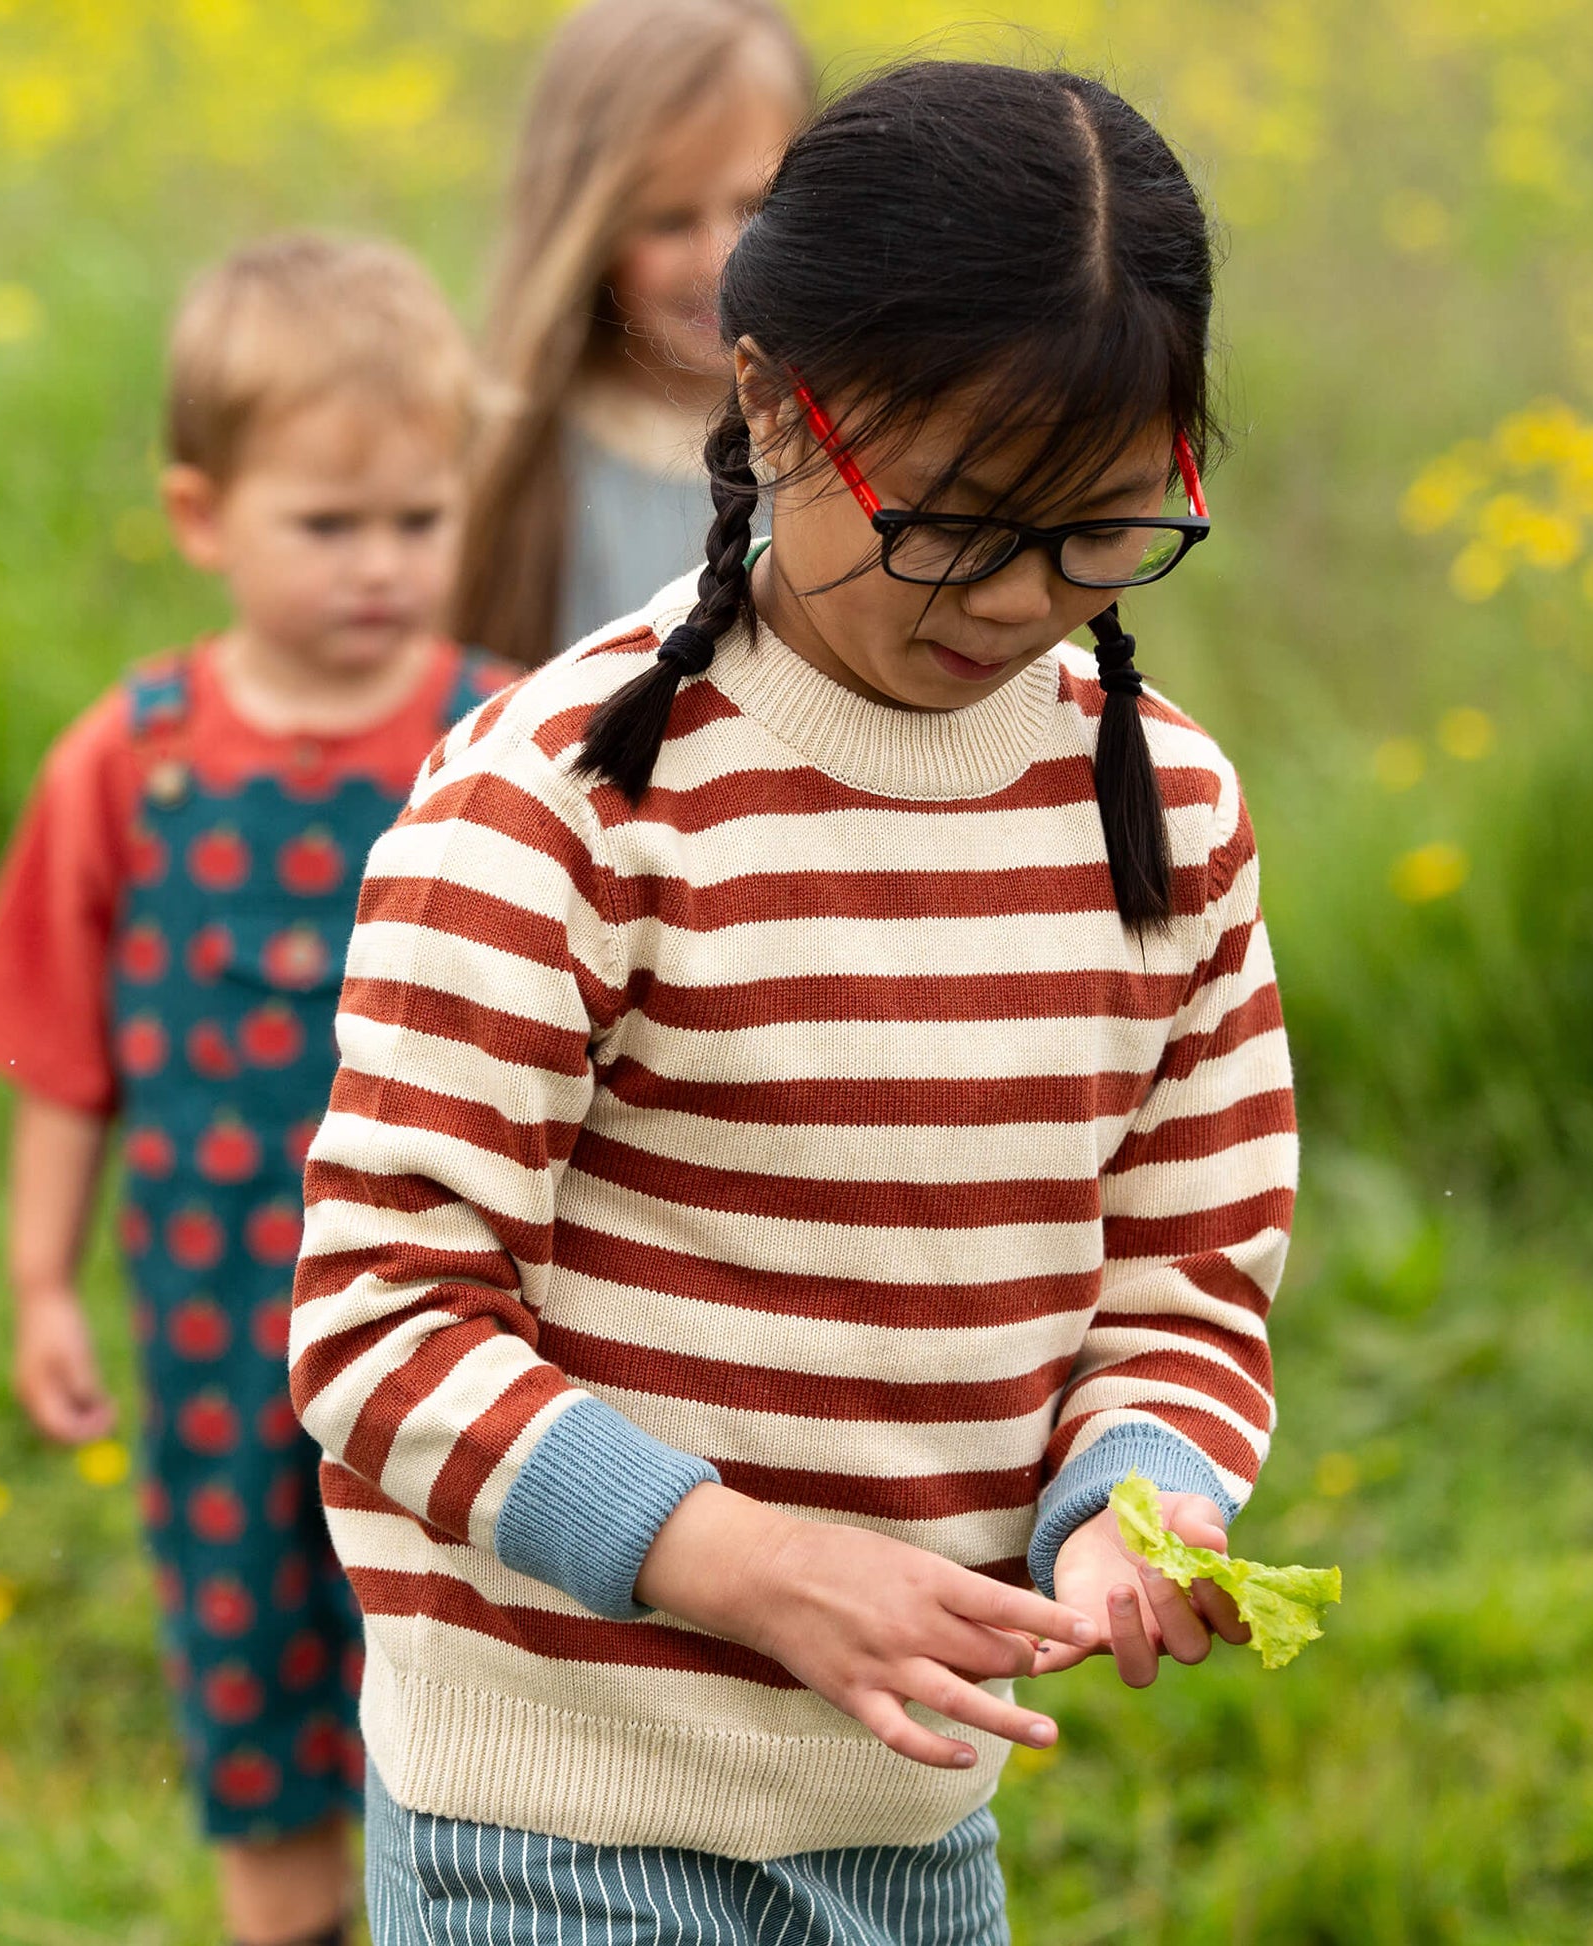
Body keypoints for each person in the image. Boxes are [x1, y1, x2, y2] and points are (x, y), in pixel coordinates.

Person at [295, 60, 1295, 1946]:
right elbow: (381, 1325)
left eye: (1095, 531)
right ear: (766, 395)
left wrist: (1134, 1492)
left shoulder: (1161, 813)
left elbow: (1184, 1272)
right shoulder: (561, 803)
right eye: (952, 522)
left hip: (908, 1814)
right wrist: (746, 1565)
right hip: (551, 1820)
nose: (1010, 600)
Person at [0, 234, 511, 1946]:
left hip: (461, 1323)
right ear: (201, 516)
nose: (379, 566)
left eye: (417, 519)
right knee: (245, 1645)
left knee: (463, 1652)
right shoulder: (137, 759)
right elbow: (61, 1053)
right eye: (326, 526)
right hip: (215, 1325)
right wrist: (41, 1279)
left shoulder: (500, 741)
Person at [450, 0, 813, 665]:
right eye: (669, 221)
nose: (722, 259)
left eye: (757, 205)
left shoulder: (848, 433)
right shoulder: (502, 452)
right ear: (586, 230)